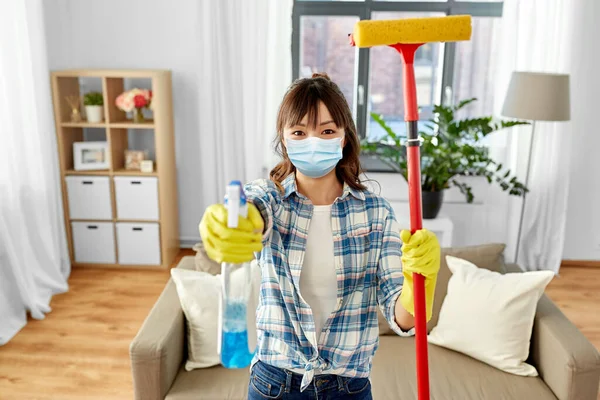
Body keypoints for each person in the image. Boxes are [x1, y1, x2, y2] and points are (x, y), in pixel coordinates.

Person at [200, 73, 441, 400]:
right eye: (299, 132)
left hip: (349, 388)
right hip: (274, 384)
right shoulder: (271, 198)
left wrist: (419, 283)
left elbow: (403, 318)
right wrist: (235, 222)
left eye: (327, 130)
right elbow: (254, 211)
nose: (313, 141)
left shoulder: (375, 213)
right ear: (284, 139)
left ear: (343, 137)